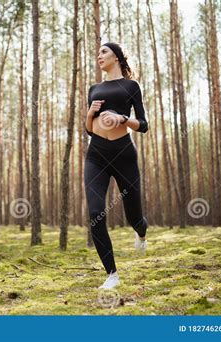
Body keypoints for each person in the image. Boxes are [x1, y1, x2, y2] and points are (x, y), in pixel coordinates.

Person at [84, 42, 149, 290]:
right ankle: (112, 274)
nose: (99, 55)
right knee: (95, 213)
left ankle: (141, 231)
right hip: (96, 155)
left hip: (123, 154)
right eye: (98, 52)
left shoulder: (131, 86)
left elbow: (143, 124)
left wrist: (122, 118)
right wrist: (90, 114)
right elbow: (88, 130)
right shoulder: (94, 88)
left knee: (134, 215)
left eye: (104, 52)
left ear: (117, 57)